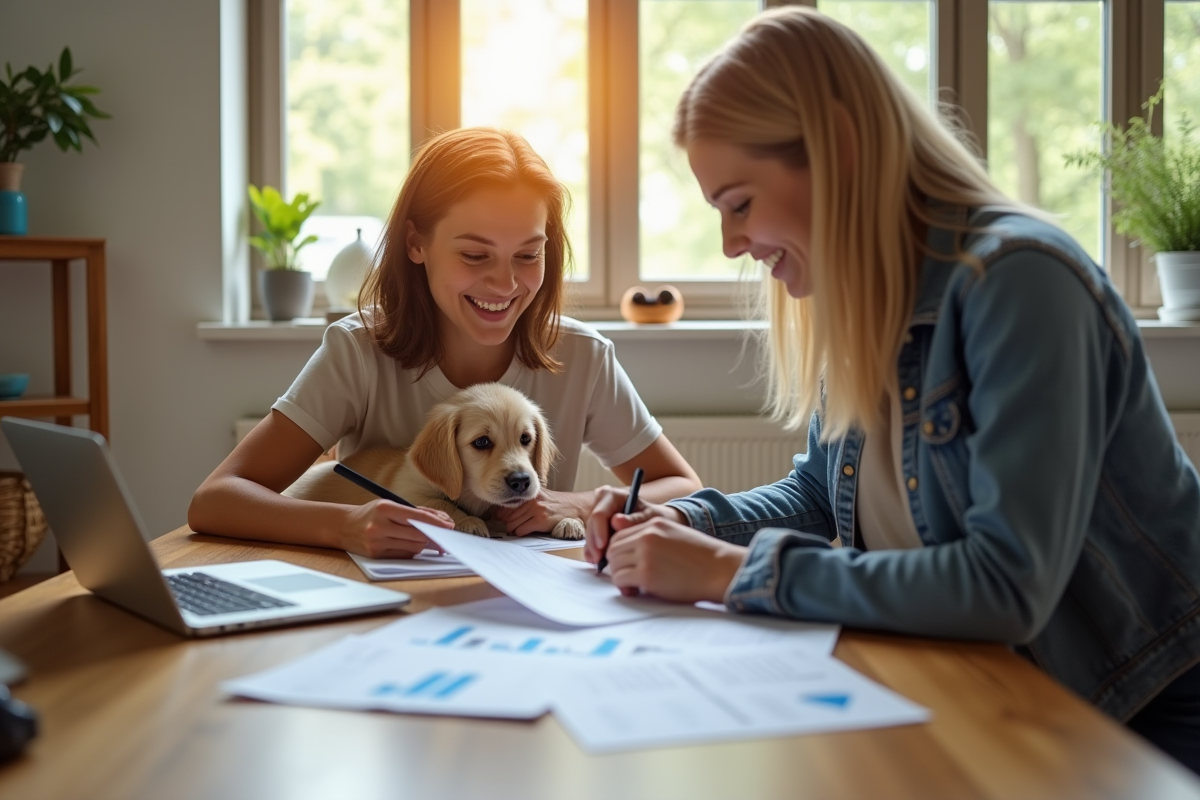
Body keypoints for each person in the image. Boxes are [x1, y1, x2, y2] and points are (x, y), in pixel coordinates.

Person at [583, 6, 1200, 772]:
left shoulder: (1018, 283)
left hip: (1140, 712)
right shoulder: (875, 296)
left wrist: (724, 571)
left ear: (838, 149)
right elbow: (818, 496)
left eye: (739, 204)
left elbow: (1005, 585)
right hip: (992, 688)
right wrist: (675, 519)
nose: (731, 244)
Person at [190, 127, 701, 560]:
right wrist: (344, 525)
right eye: (475, 255)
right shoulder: (357, 351)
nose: (505, 285)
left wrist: (582, 503)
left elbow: (683, 488)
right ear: (416, 243)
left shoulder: (583, 355)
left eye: (528, 255)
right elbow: (215, 500)